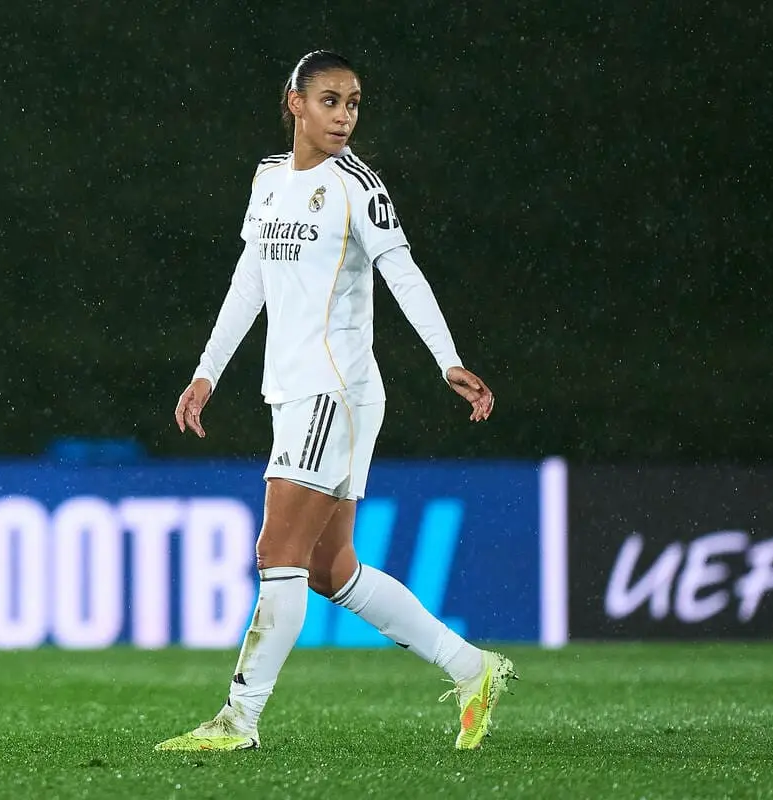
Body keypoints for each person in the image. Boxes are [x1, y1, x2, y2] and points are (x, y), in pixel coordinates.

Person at [156, 50, 516, 753]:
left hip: (335, 389)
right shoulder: (267, 178)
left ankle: (239, 720)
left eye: (353, 102)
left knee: (276, 549)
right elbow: (249, 278)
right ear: (293, 102)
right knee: (329, 569)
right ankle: (474, 669)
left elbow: (402, 273)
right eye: (330, 100)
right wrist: (207, 372)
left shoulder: (359, 187)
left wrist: (448, 359)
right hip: (292, 391)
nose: (344, 114)